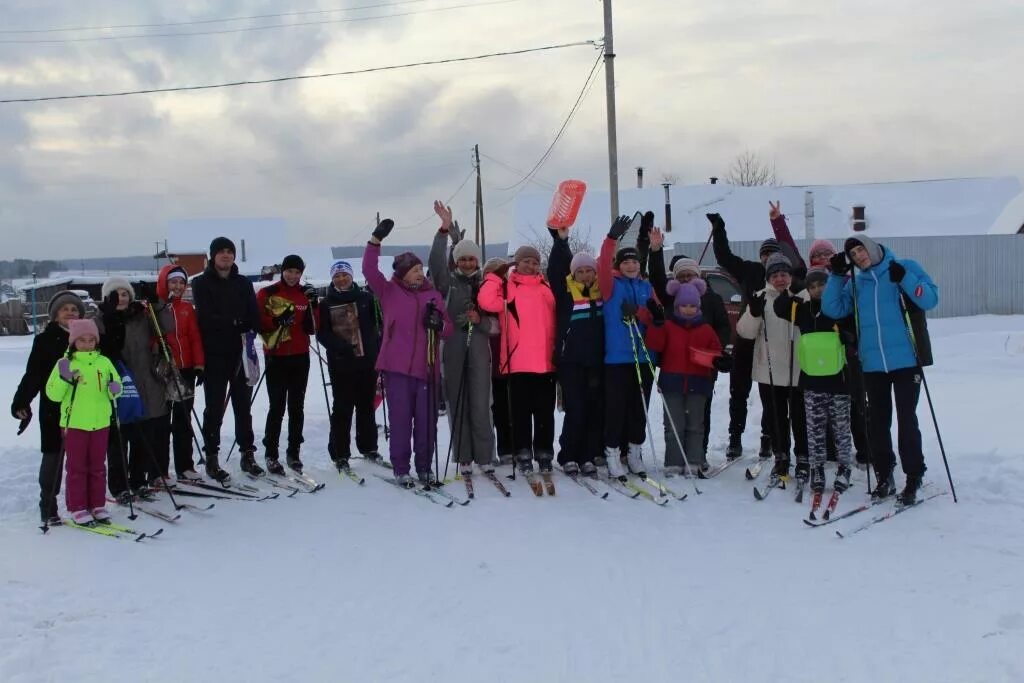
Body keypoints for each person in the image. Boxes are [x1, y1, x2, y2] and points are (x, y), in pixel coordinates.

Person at [823, 235, 938, 504]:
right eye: (853, 254)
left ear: (872, 249)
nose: (859, 256)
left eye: (861, 250)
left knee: (907, 420)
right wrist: (837, 276)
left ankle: (913, 475)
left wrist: (905, 279)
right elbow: (832, 309)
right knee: (877, 422)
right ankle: (884, 474)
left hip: (907, 360)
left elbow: (929, 299)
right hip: (872, 364)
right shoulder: (856, 282)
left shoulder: (903, 266)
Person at [709, 206, 807, 460]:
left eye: (773, 253)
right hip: (747, 339)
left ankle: (768, 438)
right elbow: (724, 258)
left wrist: (778, 223)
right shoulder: (751, 270)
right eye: (765, 254)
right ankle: (735, 437)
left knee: (772, 392)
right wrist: (719, 229)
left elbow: (797, 258)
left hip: (776, 343)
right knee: (738, 391)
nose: (768, 259)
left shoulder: (788, 278)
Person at [363, 218, 452, 487]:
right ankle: (401, 468)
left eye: (420, 269)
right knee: (401, 423)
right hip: (397, 369)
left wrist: (440, 325)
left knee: (426, 425)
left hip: (427, 369)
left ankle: (424, 467)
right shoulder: (388, 291)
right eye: (414, 270)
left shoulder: (433, 296)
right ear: (402, 273)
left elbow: (448, 331)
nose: (419, 273)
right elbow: (369, 270)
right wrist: (375, 241)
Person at [428, 201, 498, 476]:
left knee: (481, 403)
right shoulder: (448, 282)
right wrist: (444, 230)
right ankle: (464, 455)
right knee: (458, 402)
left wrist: (480, 322)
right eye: (462, 258)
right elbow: (435, 263)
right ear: (456, 261)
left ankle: (484, 455)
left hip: (479, 348)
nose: (467, 263)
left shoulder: (487, 283)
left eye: (471, 258)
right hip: (453, 348)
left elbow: (497, 324)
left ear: (478, 260)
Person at [648, 228, 731, 456]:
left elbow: (723, 326)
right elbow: (655, 278)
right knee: (675, 416)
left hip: (704, 365)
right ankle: (677, 457)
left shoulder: (711, 298)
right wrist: (655, 250)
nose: (686, 279)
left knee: (699, 414)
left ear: (699, 276)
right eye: (681, 276)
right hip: (674, 366)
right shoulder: (672, 298)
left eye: (690, 275)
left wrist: (716, 352)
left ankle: (698, 454)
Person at [478, 244, 557, 474]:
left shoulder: (545, 287)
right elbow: (485, 301)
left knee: (544, 412)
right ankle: (522, 451)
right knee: (520, 412)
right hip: (518, 360)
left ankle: (544, 452)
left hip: (544, 361)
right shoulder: (507, 287)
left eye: (534, 262)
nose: (531, 266)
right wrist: (496, 275)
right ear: (517, 263)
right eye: (526, 261)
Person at [774, 268, 853, 494]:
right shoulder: (803, 309)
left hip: (839, 378)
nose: (818, 290)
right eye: (813, 286)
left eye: (822, 285)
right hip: (811, 378)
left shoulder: (838, 309)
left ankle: (844, 467)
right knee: (815, 428)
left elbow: (853, 329)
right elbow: (780, 308)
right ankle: (817, 468)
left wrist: (849, 338)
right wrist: (792, 289)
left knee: (841, 428)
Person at [190, 237, 261, 481]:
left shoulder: (242, 283)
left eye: (229, 251)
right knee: (214, 408)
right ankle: (211, 456)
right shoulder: (200, 283)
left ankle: (247, 453)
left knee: (243, 407)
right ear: (212, 256)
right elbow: (206, 318)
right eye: (221, 252)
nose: (226, 255)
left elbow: (253, 315)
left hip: (241, 353)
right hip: (214, 355)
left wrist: (245, 324)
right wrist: (233, 322)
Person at [11, 290, 85, 524]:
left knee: (81, 458)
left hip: (83, 408)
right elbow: (34, 374)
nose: (70, 313)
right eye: (65, 310)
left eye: (74, 309)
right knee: (53, 455)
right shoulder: (45, 340)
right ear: (55, 316)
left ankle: (82, 502)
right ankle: (48, 504)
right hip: (53, 408)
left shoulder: (87, 339)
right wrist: (22, 401)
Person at [639, 278, 726, 474]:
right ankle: (673, 462)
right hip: (672, 382)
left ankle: (694, 460)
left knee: (695, 424)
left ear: (698, 307)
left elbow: (716, 352)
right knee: (673, 425)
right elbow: (655, 345)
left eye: (692, 306)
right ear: (677, 306)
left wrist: (720, 361)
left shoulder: (706, 329)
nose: (688, 309)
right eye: (684, 305)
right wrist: (657, 324)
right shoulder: (669, 326)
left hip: (699, 382)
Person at [97, 277, 174, 497]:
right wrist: (111, 318)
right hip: (118, 385)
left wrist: (156, 302)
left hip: (145, 381)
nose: (120, 298)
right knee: (119, 440)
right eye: (115, 294)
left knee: (142, 436)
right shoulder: (101, 319)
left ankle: (138, 480)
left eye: (124, 294)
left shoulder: (141, 315)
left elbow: (167, 326)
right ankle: (119, 486)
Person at [736, 253, 809, 481]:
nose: (780, 279)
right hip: (768, 370)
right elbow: (745, 332)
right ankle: (781, 455)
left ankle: (803, 456)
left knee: (799, 417)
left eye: (784, 274)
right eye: (775, 275)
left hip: (798, 369)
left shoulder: (802, 296)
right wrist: (754, 313)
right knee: (776, 417)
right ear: (769, 278)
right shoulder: (761, 298)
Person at [44, 319, 122, 525]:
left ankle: (97, 504)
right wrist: (65, 378)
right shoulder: (65, 363)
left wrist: (114, 389)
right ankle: (77, 506)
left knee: (97, 465)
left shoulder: (103, 362)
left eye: (91, 340)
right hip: (75, 423)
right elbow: (52, 394)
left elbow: (116, 386)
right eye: (82, 340)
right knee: (77, 467)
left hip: (100, 422)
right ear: (73, 342)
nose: (87, 344)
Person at [597, 215, 657, 479]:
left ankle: (634, 452)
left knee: (639, 408)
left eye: (634, 261)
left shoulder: (646, 286)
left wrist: (642, 313)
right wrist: (611, 240)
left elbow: (655, 316)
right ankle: (612, 453)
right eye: (626, 261)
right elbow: (601, 265)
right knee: (616, 408)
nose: (631, 265)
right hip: (618, 358)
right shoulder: (611, 285)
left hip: (644, 357)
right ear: (620, 265)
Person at [547, 227, 604, 476]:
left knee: (594, 409)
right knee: (576, 409)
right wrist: (561, 242)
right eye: (579, 270)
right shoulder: (565, 292)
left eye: (588, 270)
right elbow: (556, 268)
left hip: (596, 361)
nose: (584, 274)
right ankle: (568, 454)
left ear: (594, 272)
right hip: (570, 362)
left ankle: (587, 455)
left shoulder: (601, 294)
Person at [319, 260, 382, 469]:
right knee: (342, 408)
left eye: (345, 274)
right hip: (341, 364)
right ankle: (340, 452)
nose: (341, 279)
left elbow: (378, 326)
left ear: (351, 276)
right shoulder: (326, 303)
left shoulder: (366, 298)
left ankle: (369, 447)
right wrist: (339, 346)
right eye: (337, 276)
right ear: (332, 279)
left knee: (366, 407)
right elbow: (322, 333)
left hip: (367, 362)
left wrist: (379, 351)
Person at [256, 255, 315, 474]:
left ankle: (294, 452)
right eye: (289, 271)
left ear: (301, 273)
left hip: (300, 356)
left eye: (297, 272)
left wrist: (314, 305)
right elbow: (258, 319)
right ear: (283, 271)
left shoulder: (304, 294)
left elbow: (313, 326)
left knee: (297, 407)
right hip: (276, 356)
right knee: (277, 406)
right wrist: (275, 321)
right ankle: (271, 453)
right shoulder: (268, 292)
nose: (292, 276)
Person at [155, 264, 205, 482]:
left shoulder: (186, 309)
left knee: (183, 420)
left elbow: (194, 337)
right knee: (162, 422)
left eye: (181, 283)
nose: (177, 286)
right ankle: (160, 470)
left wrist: (199, 364)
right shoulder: (153, 307)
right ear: (164, 283)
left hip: (185, 369)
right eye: (173, 282)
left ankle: (185, 465)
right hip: (163, 372)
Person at [483, 257, 515, 465]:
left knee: (507, 409)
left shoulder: (508, 294)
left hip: (508, 363)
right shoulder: (483, 295)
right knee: (489, 410)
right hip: (487, 363)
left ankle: (508, 448)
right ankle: (488, 450)